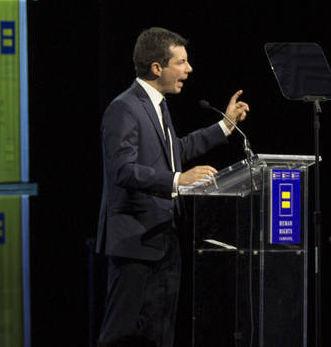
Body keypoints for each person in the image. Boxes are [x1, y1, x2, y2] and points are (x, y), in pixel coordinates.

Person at [96, 27, 250, 346]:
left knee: (160, 333)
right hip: (135, 245)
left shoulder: (158, 104)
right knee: (121, 335)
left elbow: (174, 150)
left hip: (164, 241)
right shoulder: (124, 108)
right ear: (157, 68)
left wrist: (225, 126)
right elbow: (121, 170)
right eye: (181, 62)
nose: (189, 69)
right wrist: (179, 179)